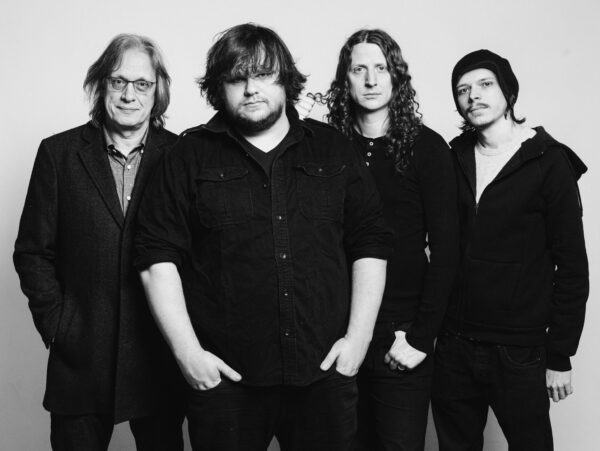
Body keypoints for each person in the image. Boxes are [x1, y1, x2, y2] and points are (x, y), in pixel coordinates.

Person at [134, 23, 391, 451]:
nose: (251, 88)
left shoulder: (332, 149)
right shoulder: (187, 156)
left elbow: (371, 244)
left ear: (285, 79)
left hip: (323, 377)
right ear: (219, 88)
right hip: (226, 383)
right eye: (237, 78)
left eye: (264, 74)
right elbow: (155, 259)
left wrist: (358, 341)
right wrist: (188, 354)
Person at [13, 34, 184, 451]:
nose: (129, 95)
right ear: (100, 85)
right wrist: (59, 326)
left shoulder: (182, 154)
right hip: (80, 358)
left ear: (157, 90)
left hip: (160, 356)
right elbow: (32, 252)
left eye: (142, 84)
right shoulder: (58, 153)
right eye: (117, 81)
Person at [431, 49, 589, 451]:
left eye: (485, 84)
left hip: (518, 349)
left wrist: (560, 355)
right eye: (463, 90)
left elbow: (573, 267)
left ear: (509, 92)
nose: (473, 96)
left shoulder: (549, 161)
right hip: (454, 343)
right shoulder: (454, 156)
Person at [323, 29, 459, 451]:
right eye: (359, 69)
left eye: (381, 68)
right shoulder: (326, 148)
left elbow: (448, 251)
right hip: (336, 329)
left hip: (399, 333)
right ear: (344, 79)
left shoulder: (427, 148)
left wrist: (420, 338)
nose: (370, 79)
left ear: (396, 76)